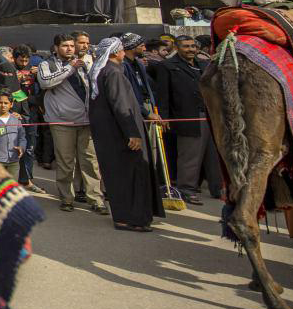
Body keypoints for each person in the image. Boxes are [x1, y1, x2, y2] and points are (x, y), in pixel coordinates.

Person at [88, 38, 165, 232]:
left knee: (120, 176)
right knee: (130, 176)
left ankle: (126, 216)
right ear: (115, 52)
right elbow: (121, 106)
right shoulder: (113, 73)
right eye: (122, 49)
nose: (124, 52)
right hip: (121, 136)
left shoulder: (104, 71)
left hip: (111, 135)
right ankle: (130, 218)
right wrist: (132, 133)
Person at [37, 34, 107, 214]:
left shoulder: (85, 62)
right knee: (66, 162)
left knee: (90, 162)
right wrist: (70, 68)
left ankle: (96, 199)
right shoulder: (47, 64)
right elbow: (45, 82)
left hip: (87, 120)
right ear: (56, 48)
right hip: (62, 121)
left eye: (71, 45)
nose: (69, 49)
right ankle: (67, 198)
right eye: (64, 46)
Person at [155, 34, 221, 204]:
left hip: (209, 115)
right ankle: (187, 189)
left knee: (214, 155)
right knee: (190, 155)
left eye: (193, 46)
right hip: (186, 116)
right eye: (186, 46)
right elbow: (163, 95)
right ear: (177, 48)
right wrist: (164, 118)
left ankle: (219, 189)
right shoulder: (167, 66)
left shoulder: (204, 65)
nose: (190, 49)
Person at [9, 45, 44, 194]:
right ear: (14, 58)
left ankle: (26, 179)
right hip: (14, 114)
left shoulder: (35, 70)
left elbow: (42, 91)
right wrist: (14, 80)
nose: (24, 63)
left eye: (26, 60)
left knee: (29, 148)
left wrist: (39, 76)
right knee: (12, 147)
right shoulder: (9, 70)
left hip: (31, 113)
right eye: (21, 60)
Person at [0, 90, 26, 179]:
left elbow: (22, 137)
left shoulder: (16, 119)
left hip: (14, 160)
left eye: (6, 103)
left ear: (11, 104)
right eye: (0, 102)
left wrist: (22, 147)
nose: (3, 105)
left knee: (12, 184)